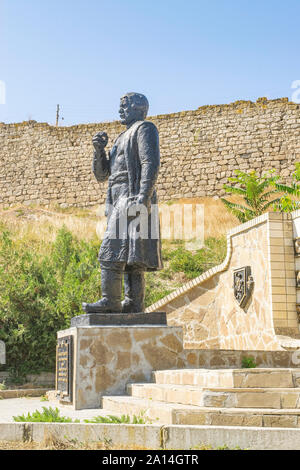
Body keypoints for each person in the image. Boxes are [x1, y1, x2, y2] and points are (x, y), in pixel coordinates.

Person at [82, 92, 163, 314]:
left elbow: (150, 163)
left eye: (124, 105)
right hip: (117, 198)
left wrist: (143, 196)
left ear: (138, 108)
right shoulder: (120, 138)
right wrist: (99, 151)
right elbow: (102, 175)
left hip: (132, 195)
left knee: (111, 250)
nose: (120, 110)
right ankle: (134, 303)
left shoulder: (145, 128)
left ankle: (111, 300)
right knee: (131, 256)